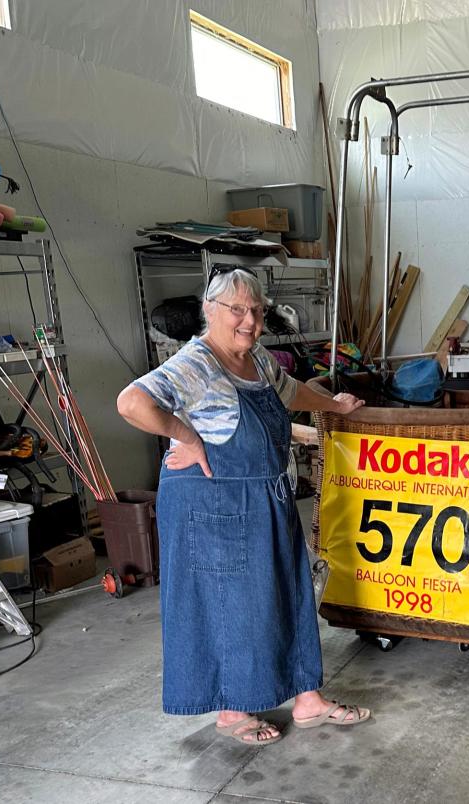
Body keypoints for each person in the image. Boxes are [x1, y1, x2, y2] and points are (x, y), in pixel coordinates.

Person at [117, 265, 371, 745]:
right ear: (209, 311)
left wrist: (335, 406)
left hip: (266, 496)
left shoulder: (256, 360)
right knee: (233, 606)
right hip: (214, 506)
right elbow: (132, 403)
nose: (249, 321)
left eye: (256, 310)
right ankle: (232, 712)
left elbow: (290, 392)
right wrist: (184, 435)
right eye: (237, 310)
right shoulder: (195, 364)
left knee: (290, 594)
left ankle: (308, 698)